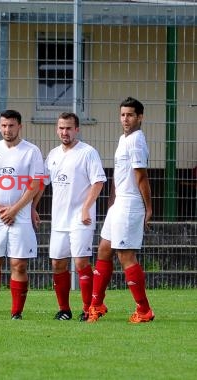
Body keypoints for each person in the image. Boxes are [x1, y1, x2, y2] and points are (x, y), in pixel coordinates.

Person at [87, 97, 154, 323]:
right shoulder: (123, 138)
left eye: (131, 115)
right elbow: (120, 174)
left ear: (140, 117)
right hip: (119, 205)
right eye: (123, 114)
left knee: (126, 256)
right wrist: (112, 202)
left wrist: (148, 207)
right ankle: (96, 305)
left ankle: (144, 310)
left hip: (131, 203)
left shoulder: (136, 141)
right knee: (104, 249)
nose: (126, 119)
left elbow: (141, 176)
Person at [0, 109, 44, 320]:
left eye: (11, 125)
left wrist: (15, 209)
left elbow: (35, 185)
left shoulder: (31, 151)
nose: (7, 130)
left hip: (21, 214)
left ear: (20, 126)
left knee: (19, 264)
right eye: (3, 125)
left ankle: (17, 313)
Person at [42, 112, 106, 321]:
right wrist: (33, 207)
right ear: (56, 129)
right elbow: (42, 183)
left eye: (68, 128)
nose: (64, 132)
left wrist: (86, 208)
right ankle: (64, 310)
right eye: (61, 128)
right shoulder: (52, 155)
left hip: (81, 219)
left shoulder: (88, 153)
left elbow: (98, 182)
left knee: (81, 263)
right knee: (57, 264)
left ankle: (89, 309)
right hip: (59, 220)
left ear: (76, 129)